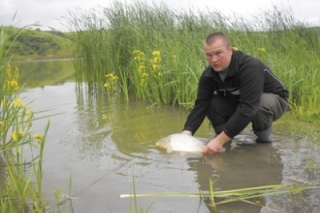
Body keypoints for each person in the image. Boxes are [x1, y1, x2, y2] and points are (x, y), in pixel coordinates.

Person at [181, 32, 289, 154]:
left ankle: (263, 143)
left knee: (259, 105)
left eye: (218, 53)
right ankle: (224, 142)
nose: (214, 60)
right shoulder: (208, 75)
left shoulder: (249, 67)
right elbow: (201, 105)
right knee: (211, 102)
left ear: (230, 50)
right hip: (240, 101)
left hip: (273, 101)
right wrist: (186, 133)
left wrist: (218, 142)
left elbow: (248, 107)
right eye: (209, 55)